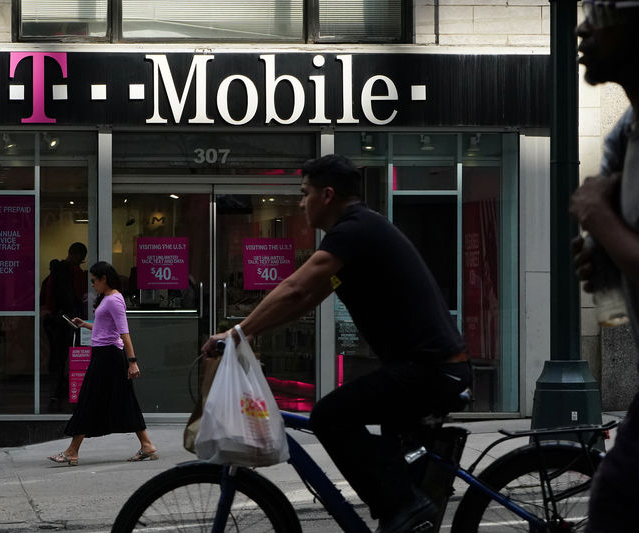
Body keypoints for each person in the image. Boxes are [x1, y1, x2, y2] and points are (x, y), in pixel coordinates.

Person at [201, 154, 471, 533]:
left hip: (430, 370)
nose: (300, 202)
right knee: (393, 463)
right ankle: (404, 511)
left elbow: (295, 286)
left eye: (304, 193)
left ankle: (403, 509)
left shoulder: (354, 230)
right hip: (423, 367)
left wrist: (237, 332)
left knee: (330, 416)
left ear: (326, 195)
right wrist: (253, 332)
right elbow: (306, 299)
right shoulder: (357, 232)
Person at [571, 2, 639, 531]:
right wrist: (605, 256)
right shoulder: (627, 132)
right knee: (613, 508)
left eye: (602, 13)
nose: (583, 27)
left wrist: (601, 221)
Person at [48, 261, 158, 466]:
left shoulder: (114, 300)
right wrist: (85, 325)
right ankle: (146, 444)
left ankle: (72, 451)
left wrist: (132, 361)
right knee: (123, 398)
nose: (92, 285)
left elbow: (124, 332)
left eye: (93, 280)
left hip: (108, 357)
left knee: (89, 398)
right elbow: (104, 330)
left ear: (103, 279)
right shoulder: (108, 299)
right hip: (104, 354)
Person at [42, 243, 88, 410]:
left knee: (60, 354)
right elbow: (76, 293)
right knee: (68, 353)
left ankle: (58, 389)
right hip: (65, 318)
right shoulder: (70, 272)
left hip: (59, 318)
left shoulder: (58, 270)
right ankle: (63, 388)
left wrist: (50, 311)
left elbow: (49, 295)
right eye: (80, 258)